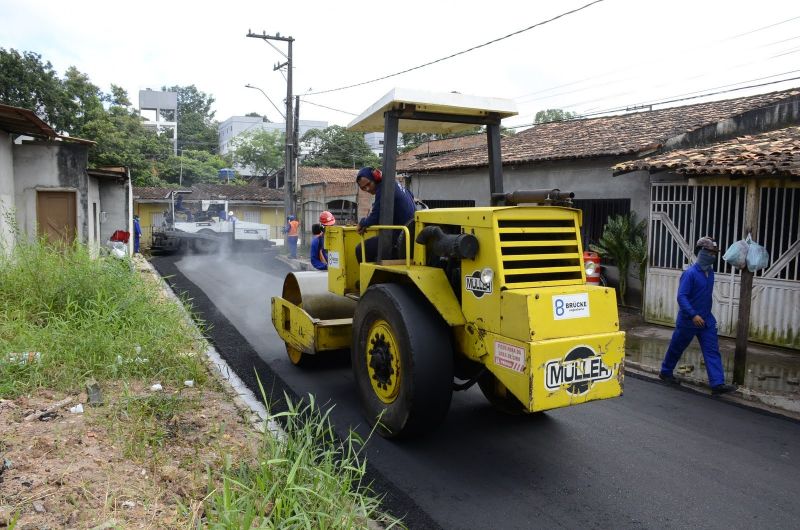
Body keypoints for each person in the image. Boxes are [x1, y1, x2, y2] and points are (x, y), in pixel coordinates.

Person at [659, 236, 737, 395]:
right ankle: (665, 372)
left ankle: (717, 384)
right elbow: (682, 296)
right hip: (689, 320)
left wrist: (703, 315)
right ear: (701, 252)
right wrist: (693, 315)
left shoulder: (711, 273)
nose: (713, 256)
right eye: (710, 252)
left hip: (706, 319)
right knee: (677, 347)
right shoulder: (690, 274)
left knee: (712, 350)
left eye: (715, 253)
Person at [355, 166, 416, 262]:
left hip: (399, 237)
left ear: (375, 178)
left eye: (368, 184)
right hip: (409, 234)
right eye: (363, 188)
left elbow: (375, 217)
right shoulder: (396, 185)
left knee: (360, 249)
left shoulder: (383, 189)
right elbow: (411, 196)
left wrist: (362, 223)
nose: (367, 189)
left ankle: (368, 277)